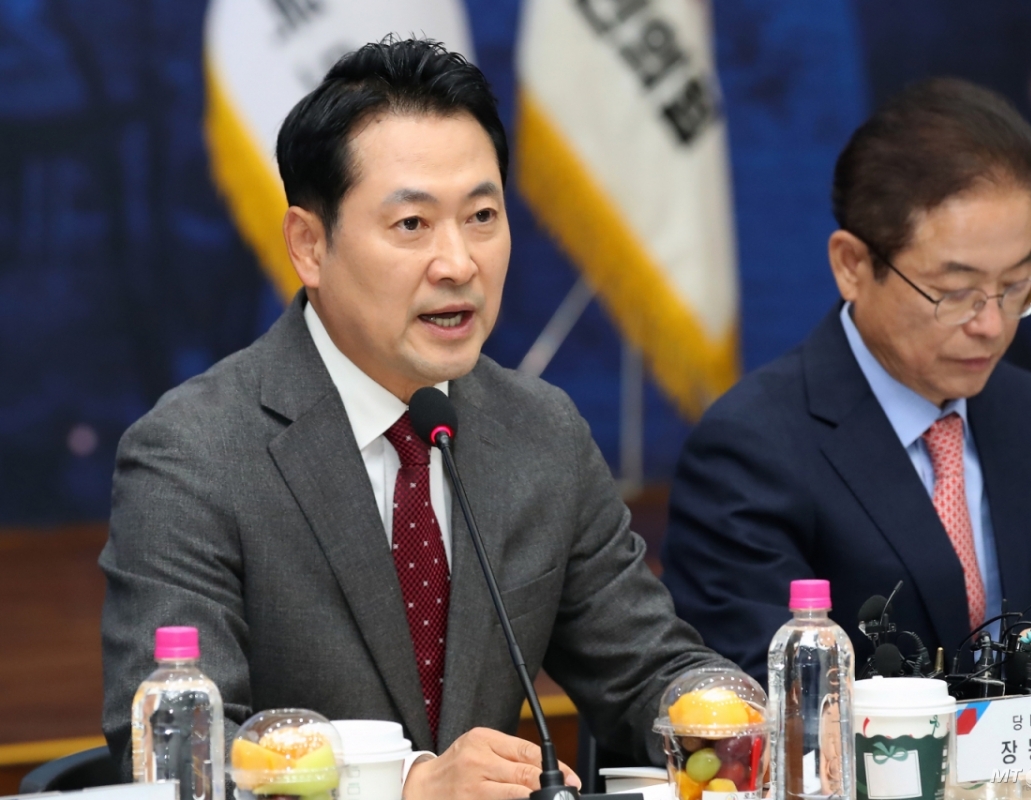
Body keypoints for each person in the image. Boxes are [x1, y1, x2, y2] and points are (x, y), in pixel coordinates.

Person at [100, 37, 727, 799]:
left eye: (482, 216)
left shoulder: (540, 431)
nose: (458, 263)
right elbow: (177, 751)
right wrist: (403, 786)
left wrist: (730, 718)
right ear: (309, 245)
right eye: (411, 225)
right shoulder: (194, 455)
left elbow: (647, 668)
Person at [660, 78, 1031, 715]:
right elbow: (772, 707)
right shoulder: (750, 448)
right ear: (852, 265)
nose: (991, 324)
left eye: (1015, 287)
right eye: (955, 293)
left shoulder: (1028, 413)